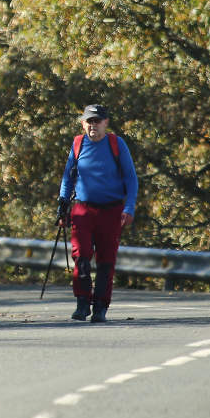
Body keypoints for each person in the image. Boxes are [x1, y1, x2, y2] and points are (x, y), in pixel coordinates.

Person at [58, 103, 139, 323]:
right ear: (83, 123)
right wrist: (62, 204)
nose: (93, 125)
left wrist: (129, 207)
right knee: (81, 256)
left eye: (97, 121)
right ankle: (82, 303)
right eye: (89, 121)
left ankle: (101, 306)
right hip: (83, 210)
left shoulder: (116, 144)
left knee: (106, 260)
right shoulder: (77, 144)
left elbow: (131, 179)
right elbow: (68, 177)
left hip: (111, 211)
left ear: (106, 123)